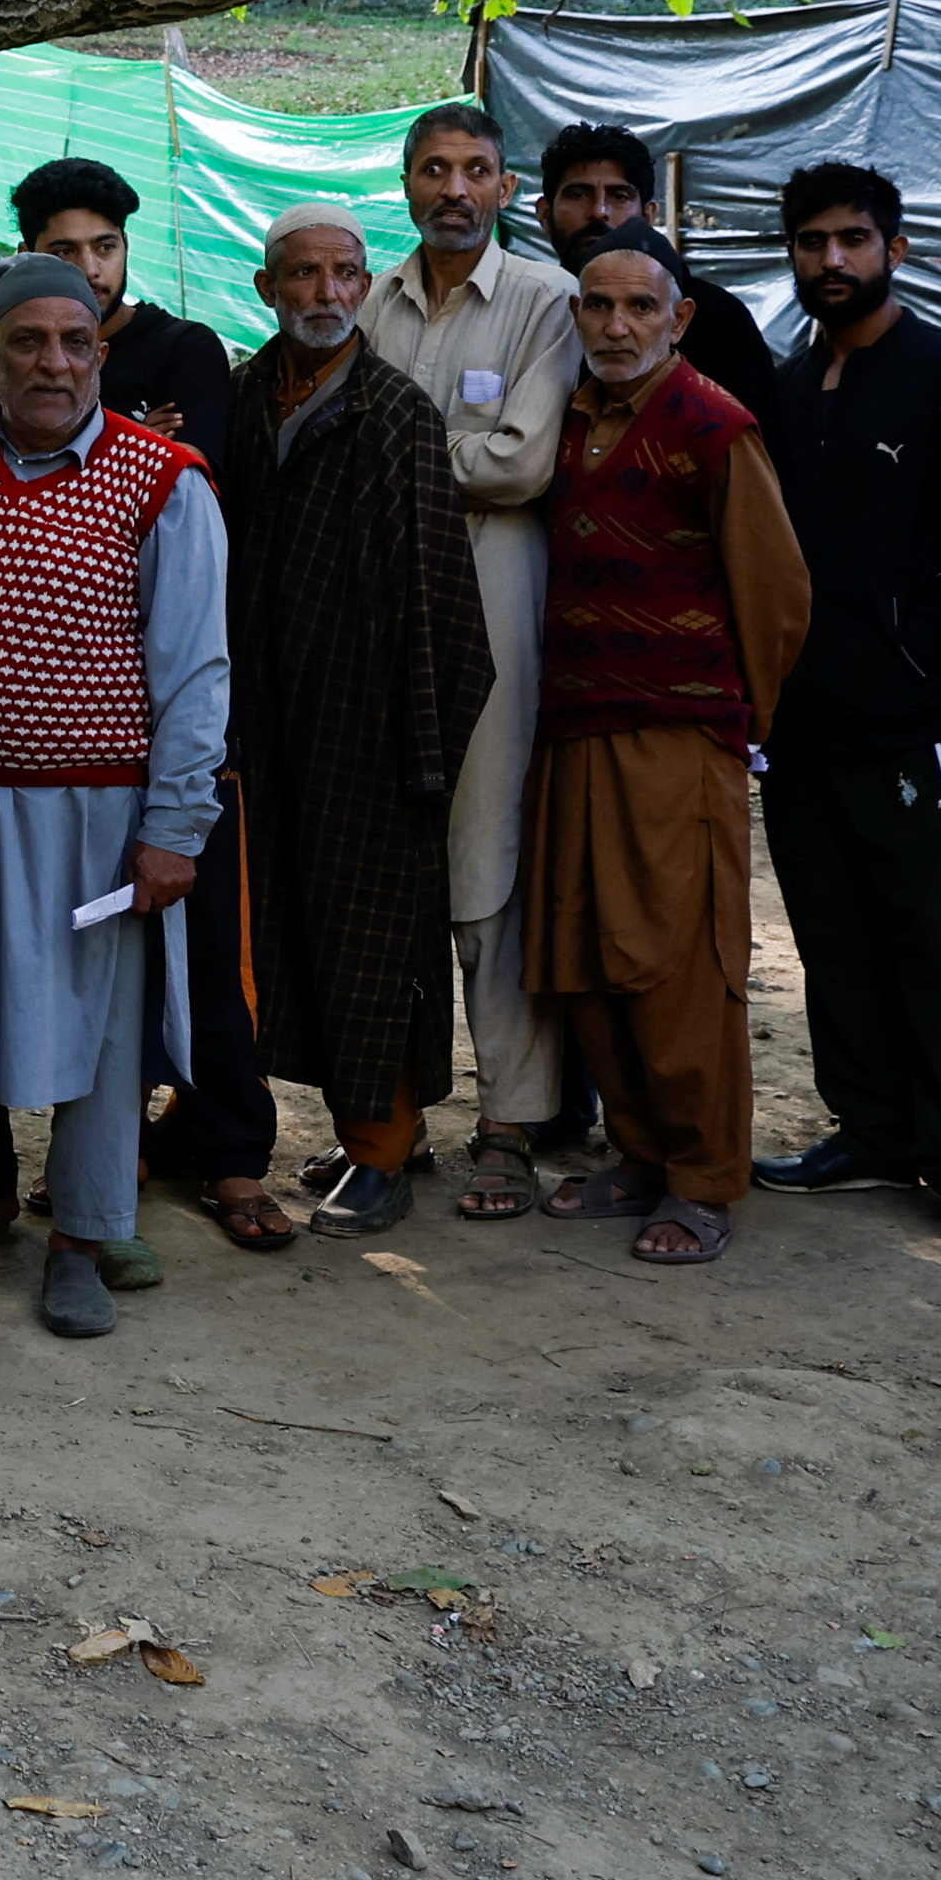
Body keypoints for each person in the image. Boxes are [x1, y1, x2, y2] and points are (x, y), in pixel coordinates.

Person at [0, 258, 229, 1341]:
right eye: (26, 340)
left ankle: (80, 1240)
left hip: (97, 822)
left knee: (98, 1045)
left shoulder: (162, 479)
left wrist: (173, 827)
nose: (53, 363)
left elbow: (195, 672)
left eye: (76, 342)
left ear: (102, 355)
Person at [176, 203, 490, 1243]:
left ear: (364, 286)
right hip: (248, 724)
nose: (323, 293)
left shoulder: (397, 414)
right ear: (267, 289)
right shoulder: (235, 399)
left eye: (342, 274)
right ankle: (210, 1121)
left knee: (366, 933)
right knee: (243, 929)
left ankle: (380, 1146)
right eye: (300, 275)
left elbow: (444, 599)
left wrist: (424, 746)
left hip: (365, 732)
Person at [748, 164, 941, 1246]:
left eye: (854, 240)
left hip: (917, 725)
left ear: (895, 249)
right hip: (800, 726)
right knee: (834, 938)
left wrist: (916, 657)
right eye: (812, 241)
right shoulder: (787, 386)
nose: (832, 260)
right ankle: (870, 1128)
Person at [519, 235, 812, 1264]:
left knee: (678, 963)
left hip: (676, 737)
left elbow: (775, 595)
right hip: (572, 728)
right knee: (588, 952)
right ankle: (638, 1155)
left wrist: (734, 726)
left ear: (676, 318)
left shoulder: (714, 425)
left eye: (638, 306)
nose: (614, 326)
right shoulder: (566, 421)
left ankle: (702, 1176)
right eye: (595, 305)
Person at [362, 99, 583, 1213]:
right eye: (433, 169)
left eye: (475, 170)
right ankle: (388, 1119)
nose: (453, 188)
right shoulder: (364, 297)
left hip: (494, 611)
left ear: (506, 189)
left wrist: (392, 456)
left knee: (486, 859)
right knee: (389, 857)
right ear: (405, 182)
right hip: (374, 617)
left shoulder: (545, 305)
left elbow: (518, 464)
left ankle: (509, 1117)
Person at [538, 123, 777, 418]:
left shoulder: (717, 321)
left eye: (619, 196)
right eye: (578, 194)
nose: (599, 211)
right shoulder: (533, 313)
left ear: (648, 216)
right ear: (545, 215)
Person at [9, 155, 238, 440]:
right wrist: (128, 443)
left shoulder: (183, 351)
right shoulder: (7, 356)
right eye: (65, 252)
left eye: (105, 247)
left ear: (125, 246)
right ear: (27, 257)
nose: (90, 269)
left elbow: (187, 476)